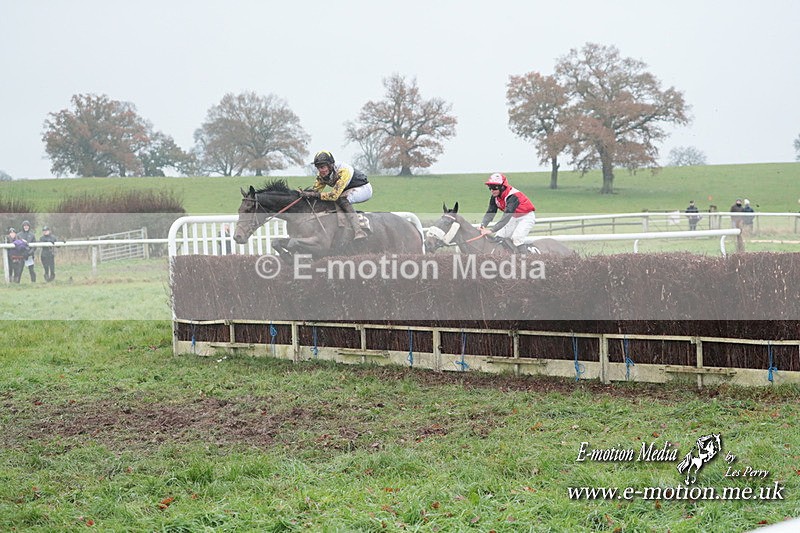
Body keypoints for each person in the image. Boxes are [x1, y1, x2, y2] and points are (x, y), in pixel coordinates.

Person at [299, 150, 372, 241]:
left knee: (341, 200)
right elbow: (315, 191)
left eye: (322, 167)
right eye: (318, 168)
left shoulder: (343, 171)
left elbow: (333, 195)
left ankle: (359, 231)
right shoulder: (321, 175)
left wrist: (314, 194)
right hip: (346, 189)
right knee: (332, 200)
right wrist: (303, 194)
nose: (320, 171)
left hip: (363, 188)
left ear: (330, 165)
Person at [479, 173, 536, 253]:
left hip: (526, 217)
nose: (492, 190)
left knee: (517, 239)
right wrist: (482, 226)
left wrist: (491, 230)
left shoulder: (513, 196)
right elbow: (490, 212)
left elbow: (506, 216)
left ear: (502, 187)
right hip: (514, 217)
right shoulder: (495, 197)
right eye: (490, 187)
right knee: (499, 237)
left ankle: (526, 262)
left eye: (494, 187)